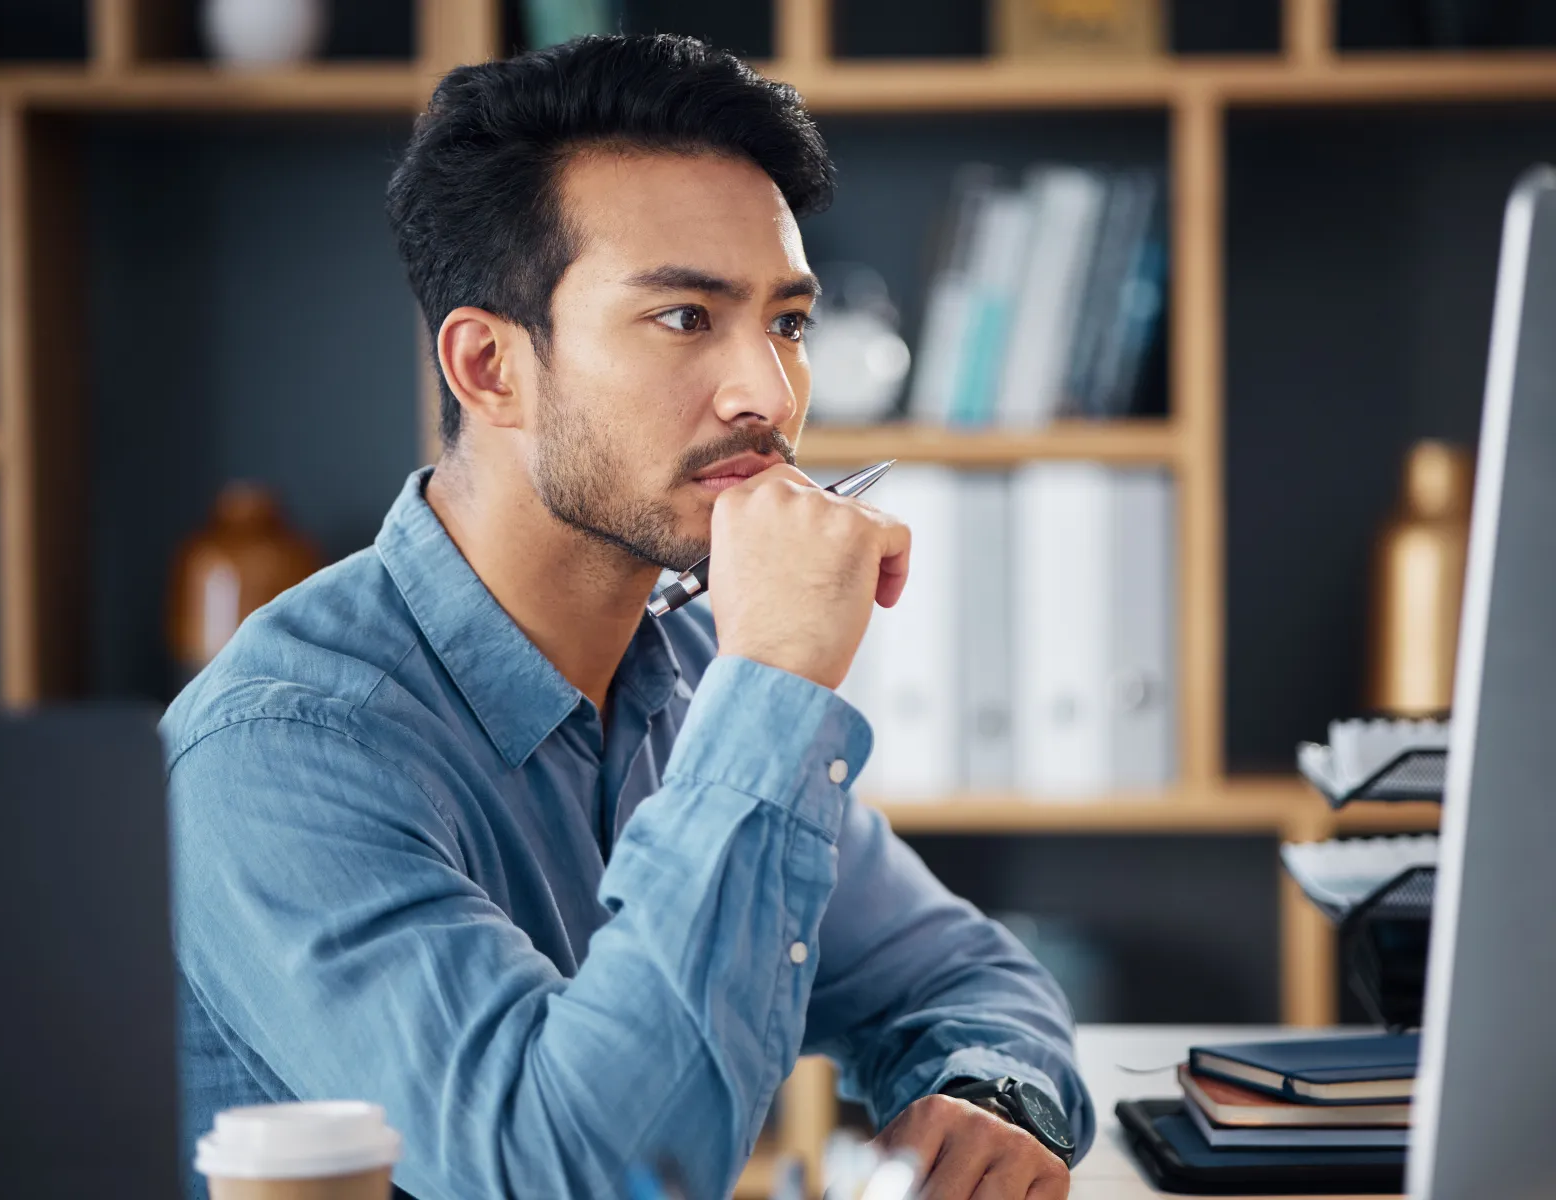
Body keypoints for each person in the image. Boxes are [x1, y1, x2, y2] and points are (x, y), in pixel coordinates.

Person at [163, 33, 1092, 1200]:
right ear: (489, 366)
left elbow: (963, 973)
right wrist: (776, 686)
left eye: (787, 323)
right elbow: (574, 1173)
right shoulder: (281, 748)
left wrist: (989, 1095)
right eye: (684, 319)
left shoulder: (690, 668)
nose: (767, 392)